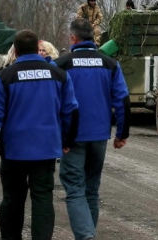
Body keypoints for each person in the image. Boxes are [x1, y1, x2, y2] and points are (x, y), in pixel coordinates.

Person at [0, 29, 79, 240]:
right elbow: (71, 110)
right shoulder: (59, 75)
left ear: (14, 51)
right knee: (43, 198)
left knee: (12, 199)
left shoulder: (3, 77)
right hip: (46, 150)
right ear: (37, 48)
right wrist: (68, 140)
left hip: (14, 151)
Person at [55, 18, 130, 240]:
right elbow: (122, 100)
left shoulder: (61, 64)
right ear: (93, 39)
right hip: (99, 136)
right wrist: (122, 134)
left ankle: (86, 236)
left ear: (73, 38)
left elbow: (49, 101)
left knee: (75, 190)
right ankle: (89, 233)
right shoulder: (110, 64)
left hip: (71, 138)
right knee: (91, 189)